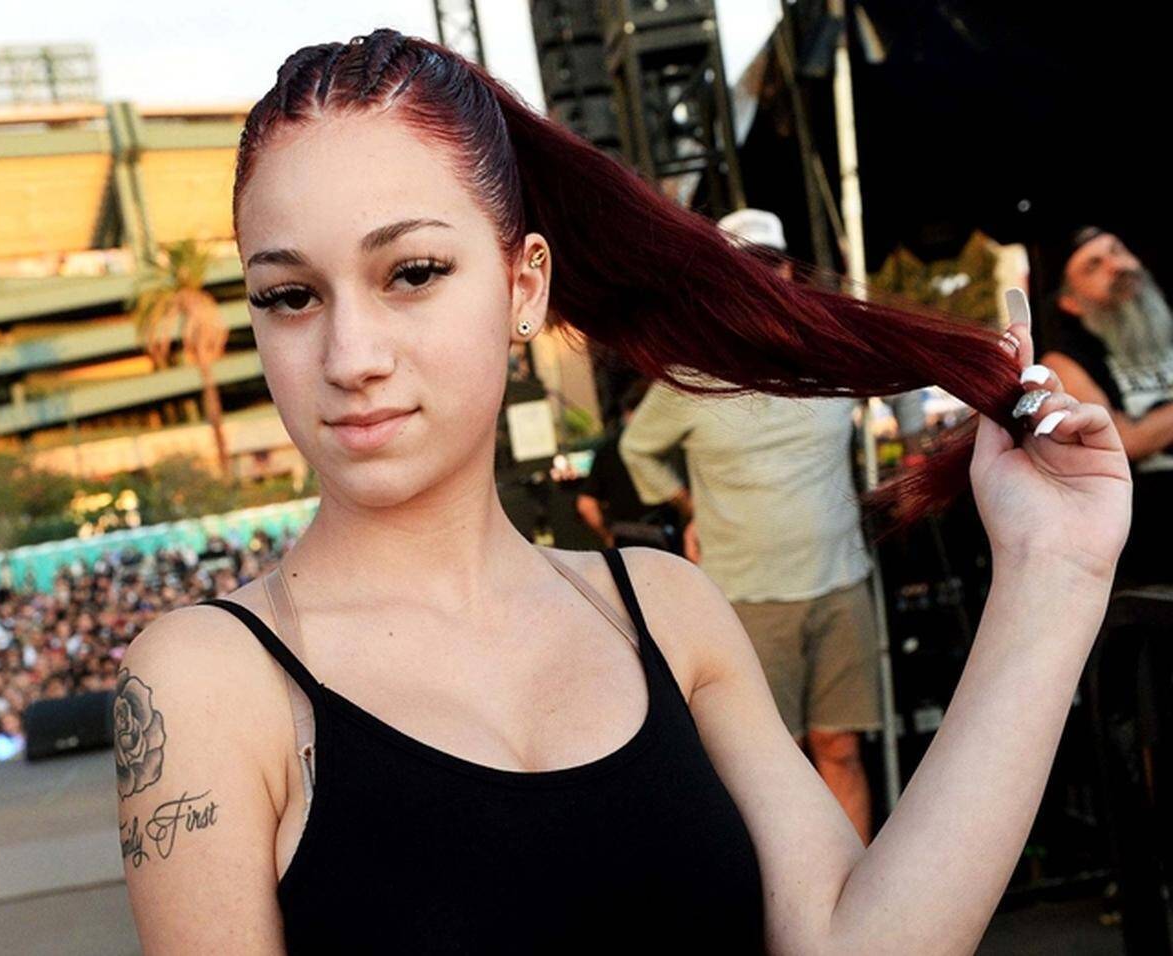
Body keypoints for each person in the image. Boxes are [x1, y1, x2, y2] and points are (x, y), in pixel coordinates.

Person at [116, 29, 1128, 954]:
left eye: (412, 272)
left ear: (523, 285)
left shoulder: (666, 609)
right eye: (290, 295)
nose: (350, 356)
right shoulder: (206, 684)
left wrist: (1054, 570)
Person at [618, 208, 888, 844]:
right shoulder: (689, 374)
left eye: (768, 264)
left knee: (841, 748)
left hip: (841, 584)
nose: (759, 279)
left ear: (790, 272)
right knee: (774, 767)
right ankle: (798, 901)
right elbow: (637, 449)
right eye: (742, 267)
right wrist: (688, 508)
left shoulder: (829, 357)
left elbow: (898, 382)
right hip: (745, 597)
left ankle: (860, 895)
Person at [1039, 226, 1173, 585]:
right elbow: (1124, 439)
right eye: (1093, 265)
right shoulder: (1065, 362)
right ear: (1070, 302)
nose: (1116, 266)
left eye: (1117, 250)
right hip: (1151, 541)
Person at [575, 379, 678, 550]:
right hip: (667, 537)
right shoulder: (669, 443)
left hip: (627, 542)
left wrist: (608, 536)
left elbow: (586, 504)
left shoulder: (607, 450)